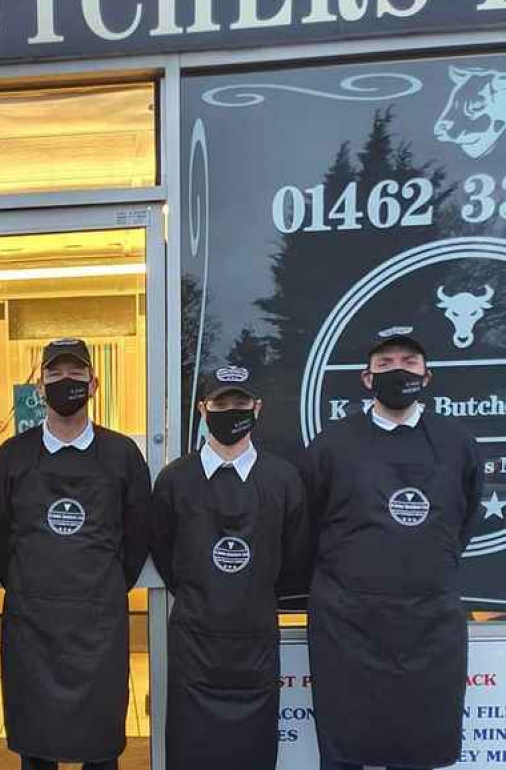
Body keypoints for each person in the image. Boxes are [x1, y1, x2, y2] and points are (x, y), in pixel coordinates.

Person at [302, 327, 484, 770]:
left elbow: (466, 516)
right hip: (348, 624)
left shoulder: (457, 442)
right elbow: (306, 523)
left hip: (428, 625)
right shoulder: (331, 444)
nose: (397, 371)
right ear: (367, 379)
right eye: (384, 364)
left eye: (408, 363)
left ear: (427, 376)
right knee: (346, 747)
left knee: (417, 750)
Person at [0, 337, 151, 770]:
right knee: (36, 750)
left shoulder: (121, 455)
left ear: (94, 384)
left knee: (100, 748)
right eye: (54, 375)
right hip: (32, 627)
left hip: (99, 627)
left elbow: (137, 535)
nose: (65, 382)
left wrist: (107, 586)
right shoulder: (12, 456)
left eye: (75, 374)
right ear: (40, 387)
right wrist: (28, 585)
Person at [151, 365, 308, 770]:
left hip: (254, 639)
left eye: (240, 402)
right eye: (221, 402)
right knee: (192, 752)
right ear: (203, 408)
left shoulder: (283, 479)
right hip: (194, 641)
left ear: (257, 408)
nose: (230, 410)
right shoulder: (174, 480)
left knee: (252, 753)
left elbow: (294, 558)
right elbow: (164, 551)